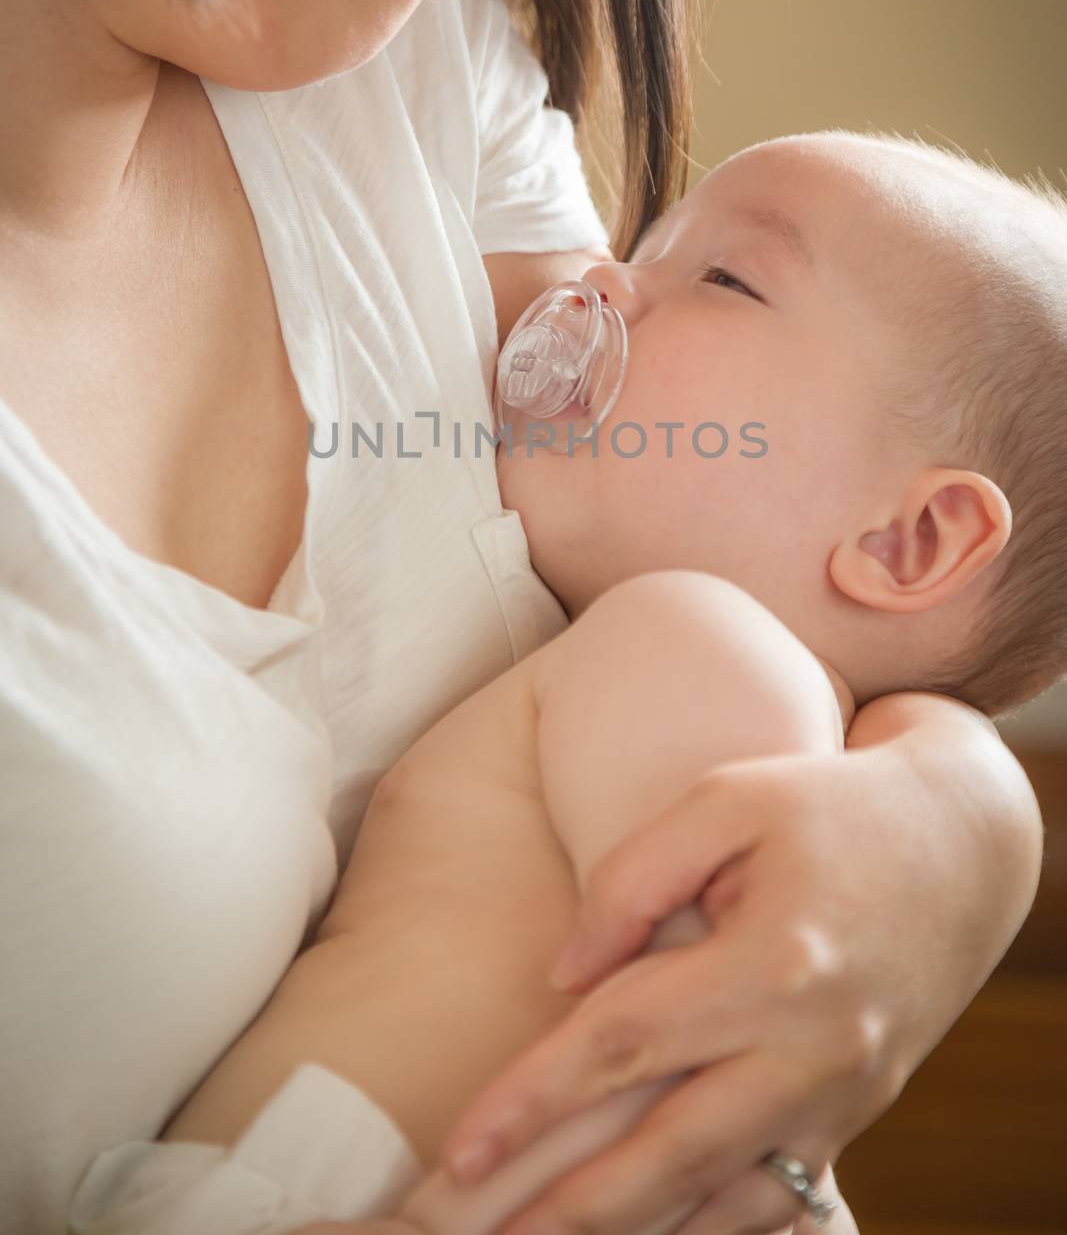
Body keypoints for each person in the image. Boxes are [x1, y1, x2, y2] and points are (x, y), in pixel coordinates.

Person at [0, 0, 1044, 1232]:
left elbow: (716, 983)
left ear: (911, 542)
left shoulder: (409, 40)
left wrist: (961, 820)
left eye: (726, 277)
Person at [66, 129, 1065, 1234]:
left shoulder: (705, 643)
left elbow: (688, 1020)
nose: (598, 280)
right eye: (645, 245)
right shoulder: (679, 674)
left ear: (908, 541)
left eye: (724, 277)